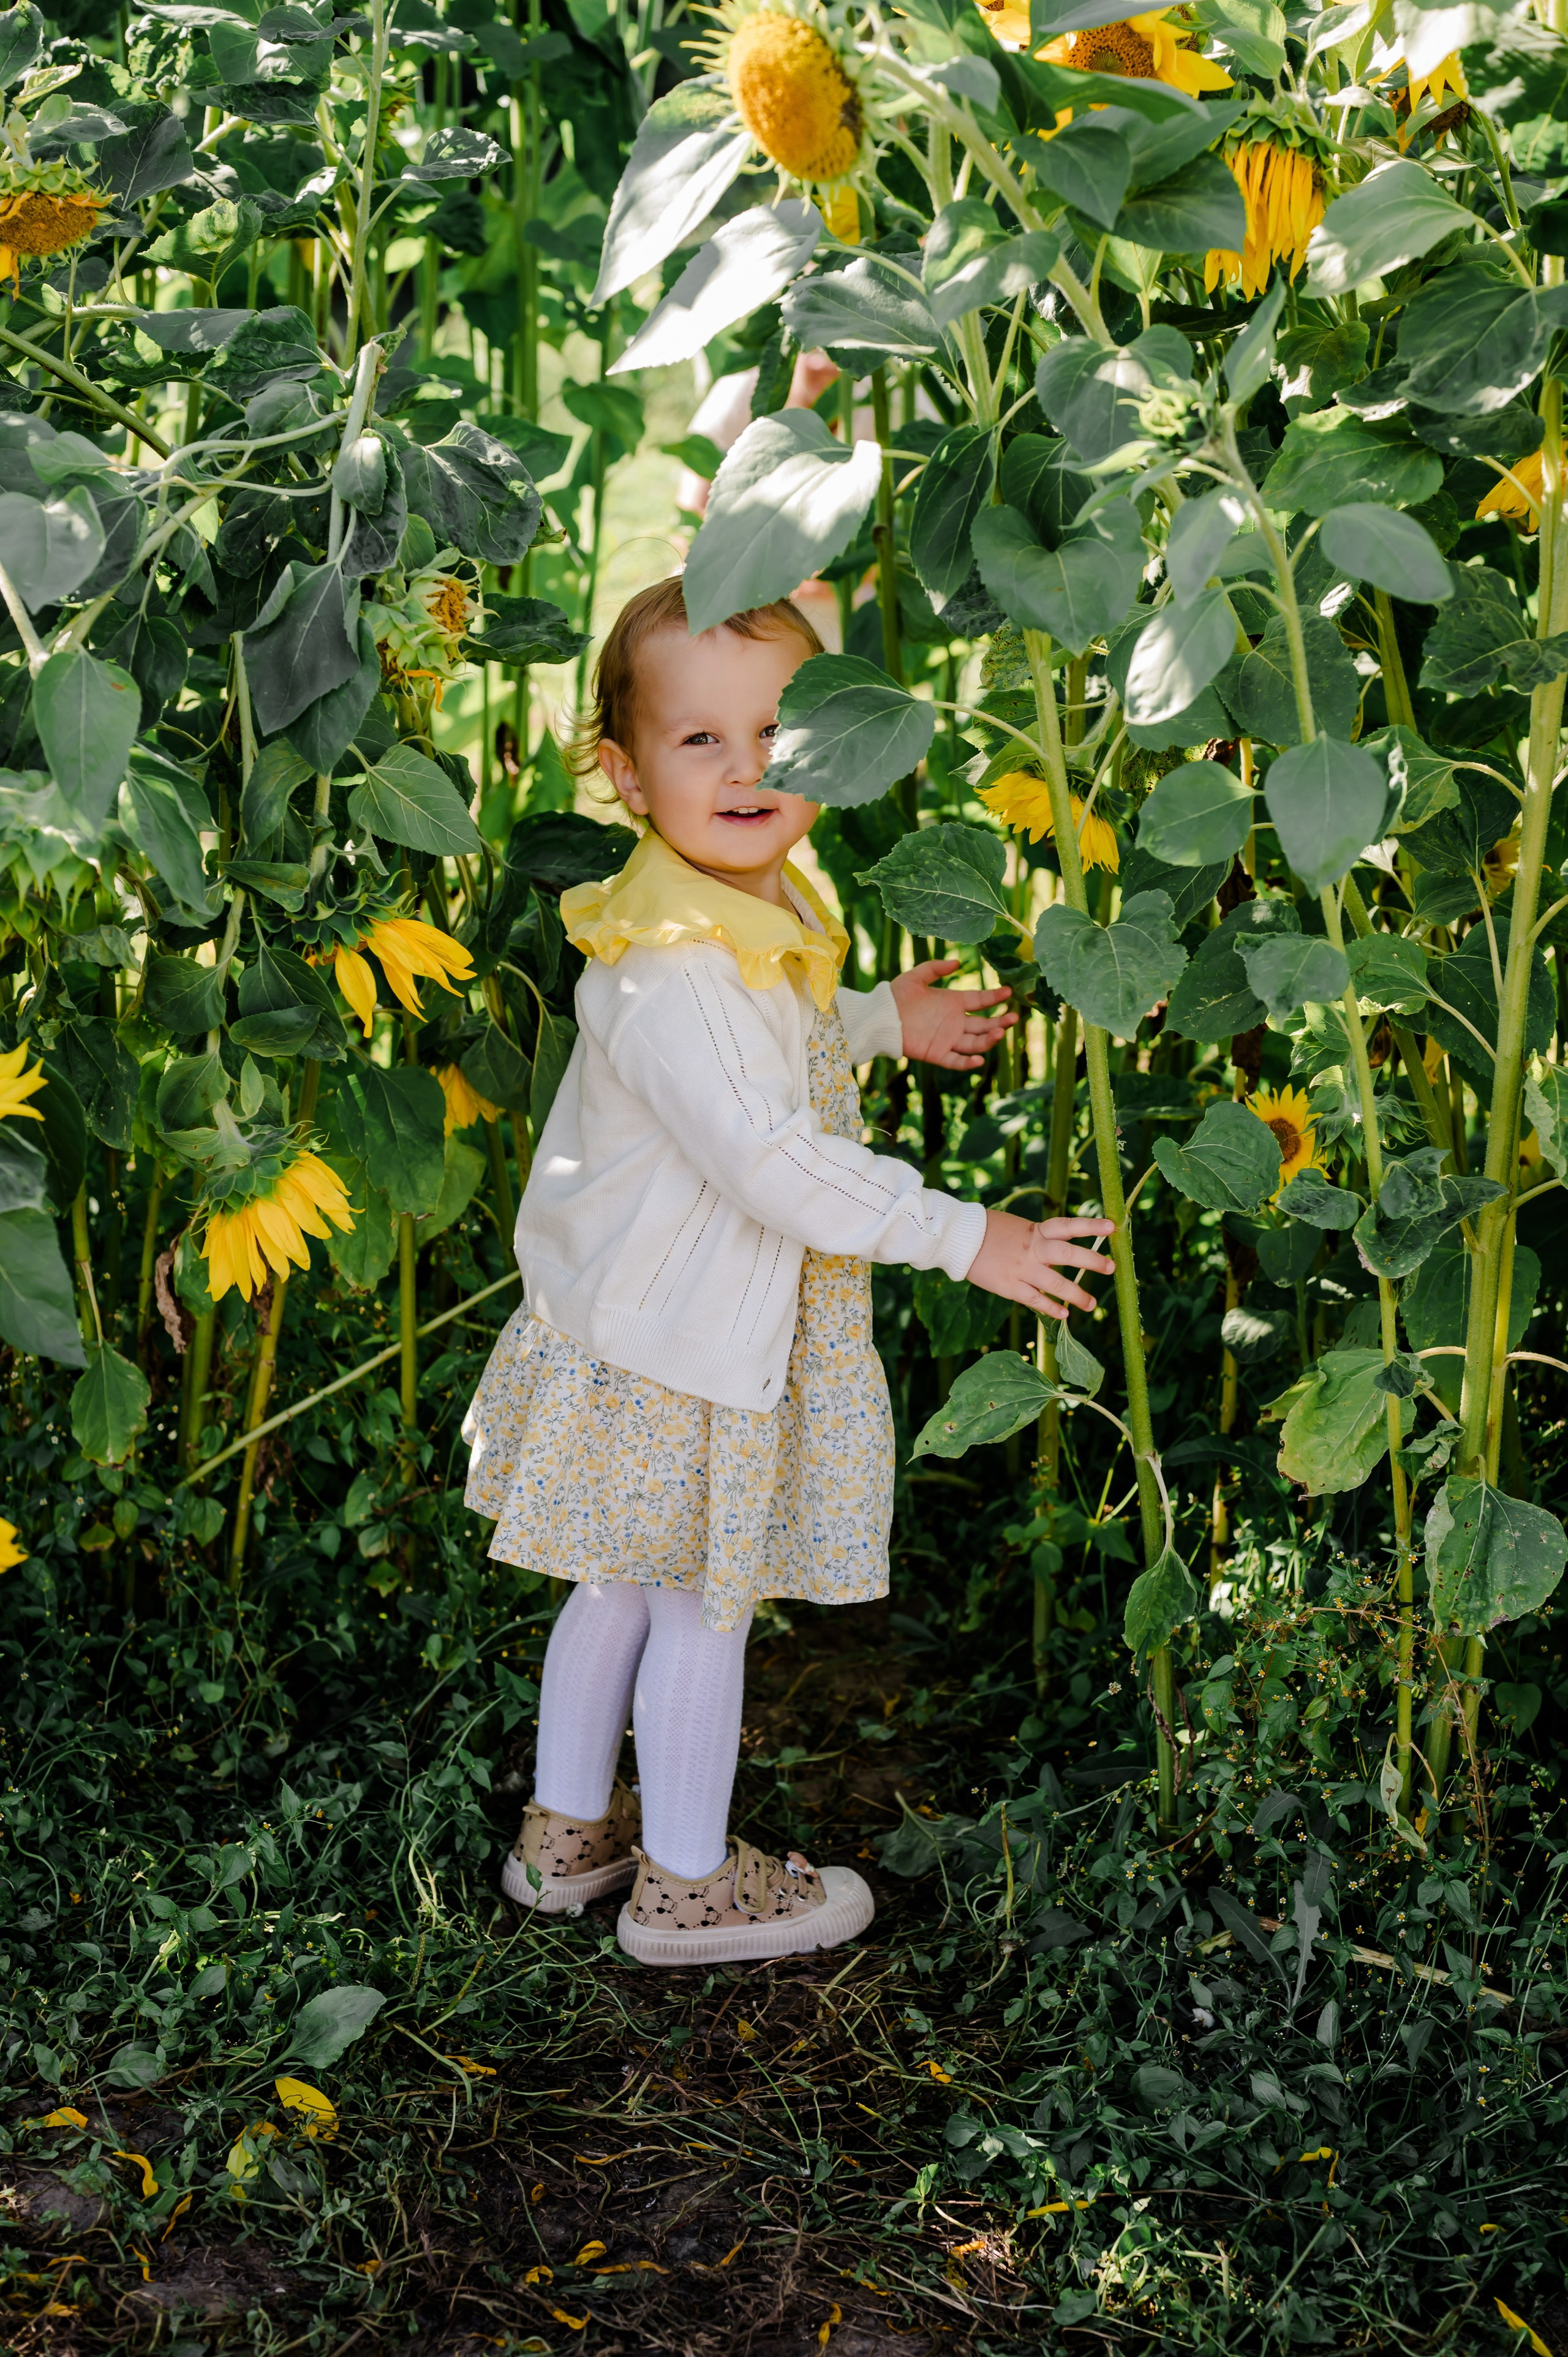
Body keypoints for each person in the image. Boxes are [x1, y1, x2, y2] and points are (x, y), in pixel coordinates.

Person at [462, 576, 1115, 1967]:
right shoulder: (679, 969)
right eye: (699, 740)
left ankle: (565, 1836)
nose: (748, 763)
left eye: (776, 726)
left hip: (633, 1326)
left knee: (618, 1583)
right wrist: (967, 1234)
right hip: (689, 1344)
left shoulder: (715, 913)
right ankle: (686, 1889)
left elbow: (781, 1043)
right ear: (624, 774)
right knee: (703, 1594)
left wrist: (881, 1018)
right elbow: (767, 1156)